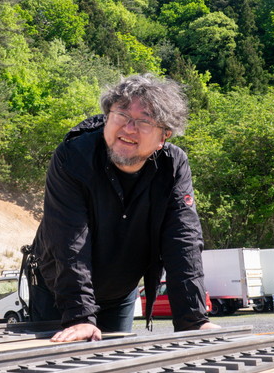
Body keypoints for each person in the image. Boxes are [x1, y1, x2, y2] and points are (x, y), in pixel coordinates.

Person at [27, 73, 219, 342]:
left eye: (144, 121)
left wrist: (194, 320)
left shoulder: (173, 166)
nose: (129, 128)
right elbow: (70, 241)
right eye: (122, 115)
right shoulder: (74, 157)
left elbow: (183, 240)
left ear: (164, 136)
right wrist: (80, 317)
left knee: (115, 370)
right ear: (107, 117)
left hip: (120, 292)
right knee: (57, 371)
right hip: (60, 290)